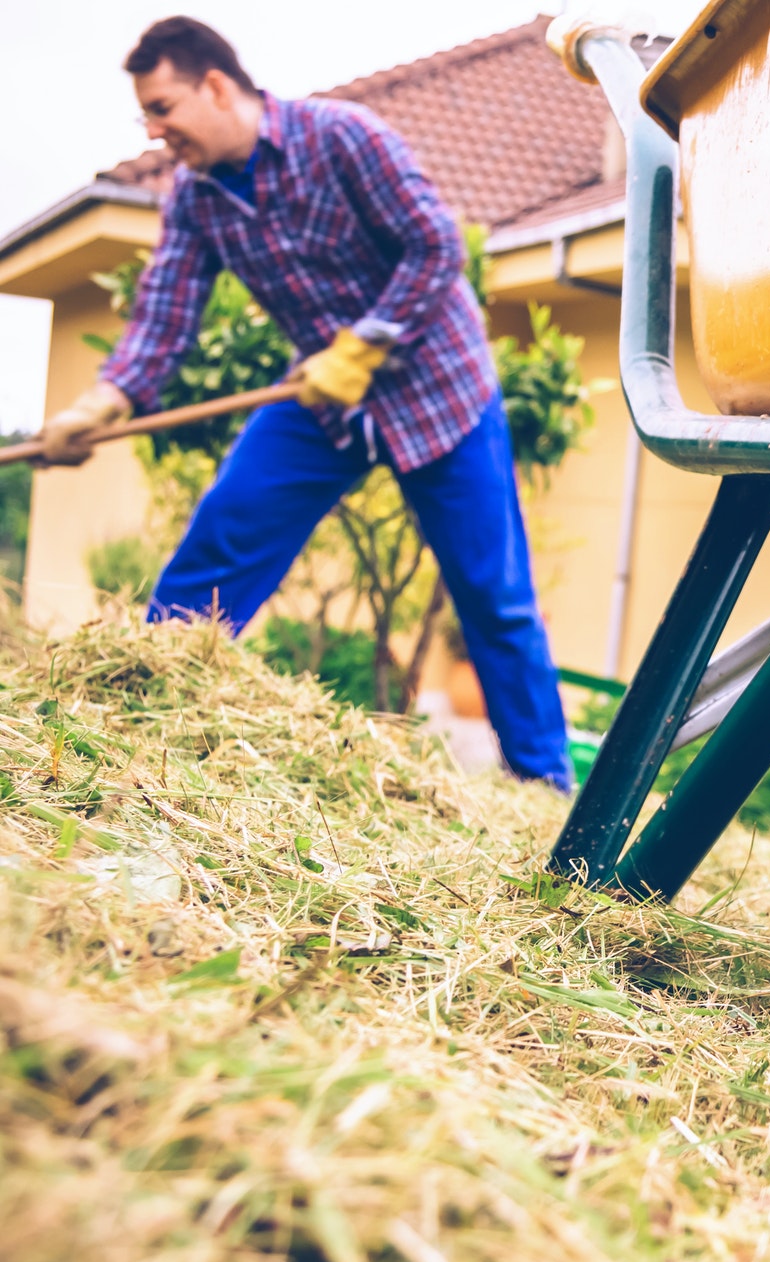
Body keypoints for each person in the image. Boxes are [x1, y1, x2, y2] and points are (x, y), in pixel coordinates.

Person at [33, 16, 572, 790]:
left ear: (215, 85)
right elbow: (165, 314)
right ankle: (138, 708)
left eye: (162, 107)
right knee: (227, 528)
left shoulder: (342, 136)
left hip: (441, 395)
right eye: (145, 116)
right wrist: (103, 401)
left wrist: (366, 344)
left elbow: (436, 247)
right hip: (321, 402)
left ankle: (546, 790)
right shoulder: (196, 198)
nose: (156, 131)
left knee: (494, 595)